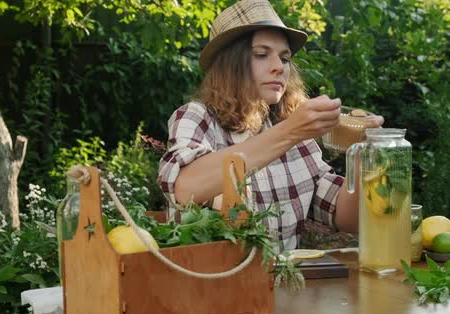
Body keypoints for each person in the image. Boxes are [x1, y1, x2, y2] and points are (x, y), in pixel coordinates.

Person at [157, 0, 384, 252]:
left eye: (285, 58)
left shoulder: (293, 131)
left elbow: (348, 220)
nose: (278, 67)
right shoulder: (196, 117)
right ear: (229, 64)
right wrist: (291, 132)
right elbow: (184, 188)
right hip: (212, 286)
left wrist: (363, 157)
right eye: (262, 54)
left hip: (283, 288)